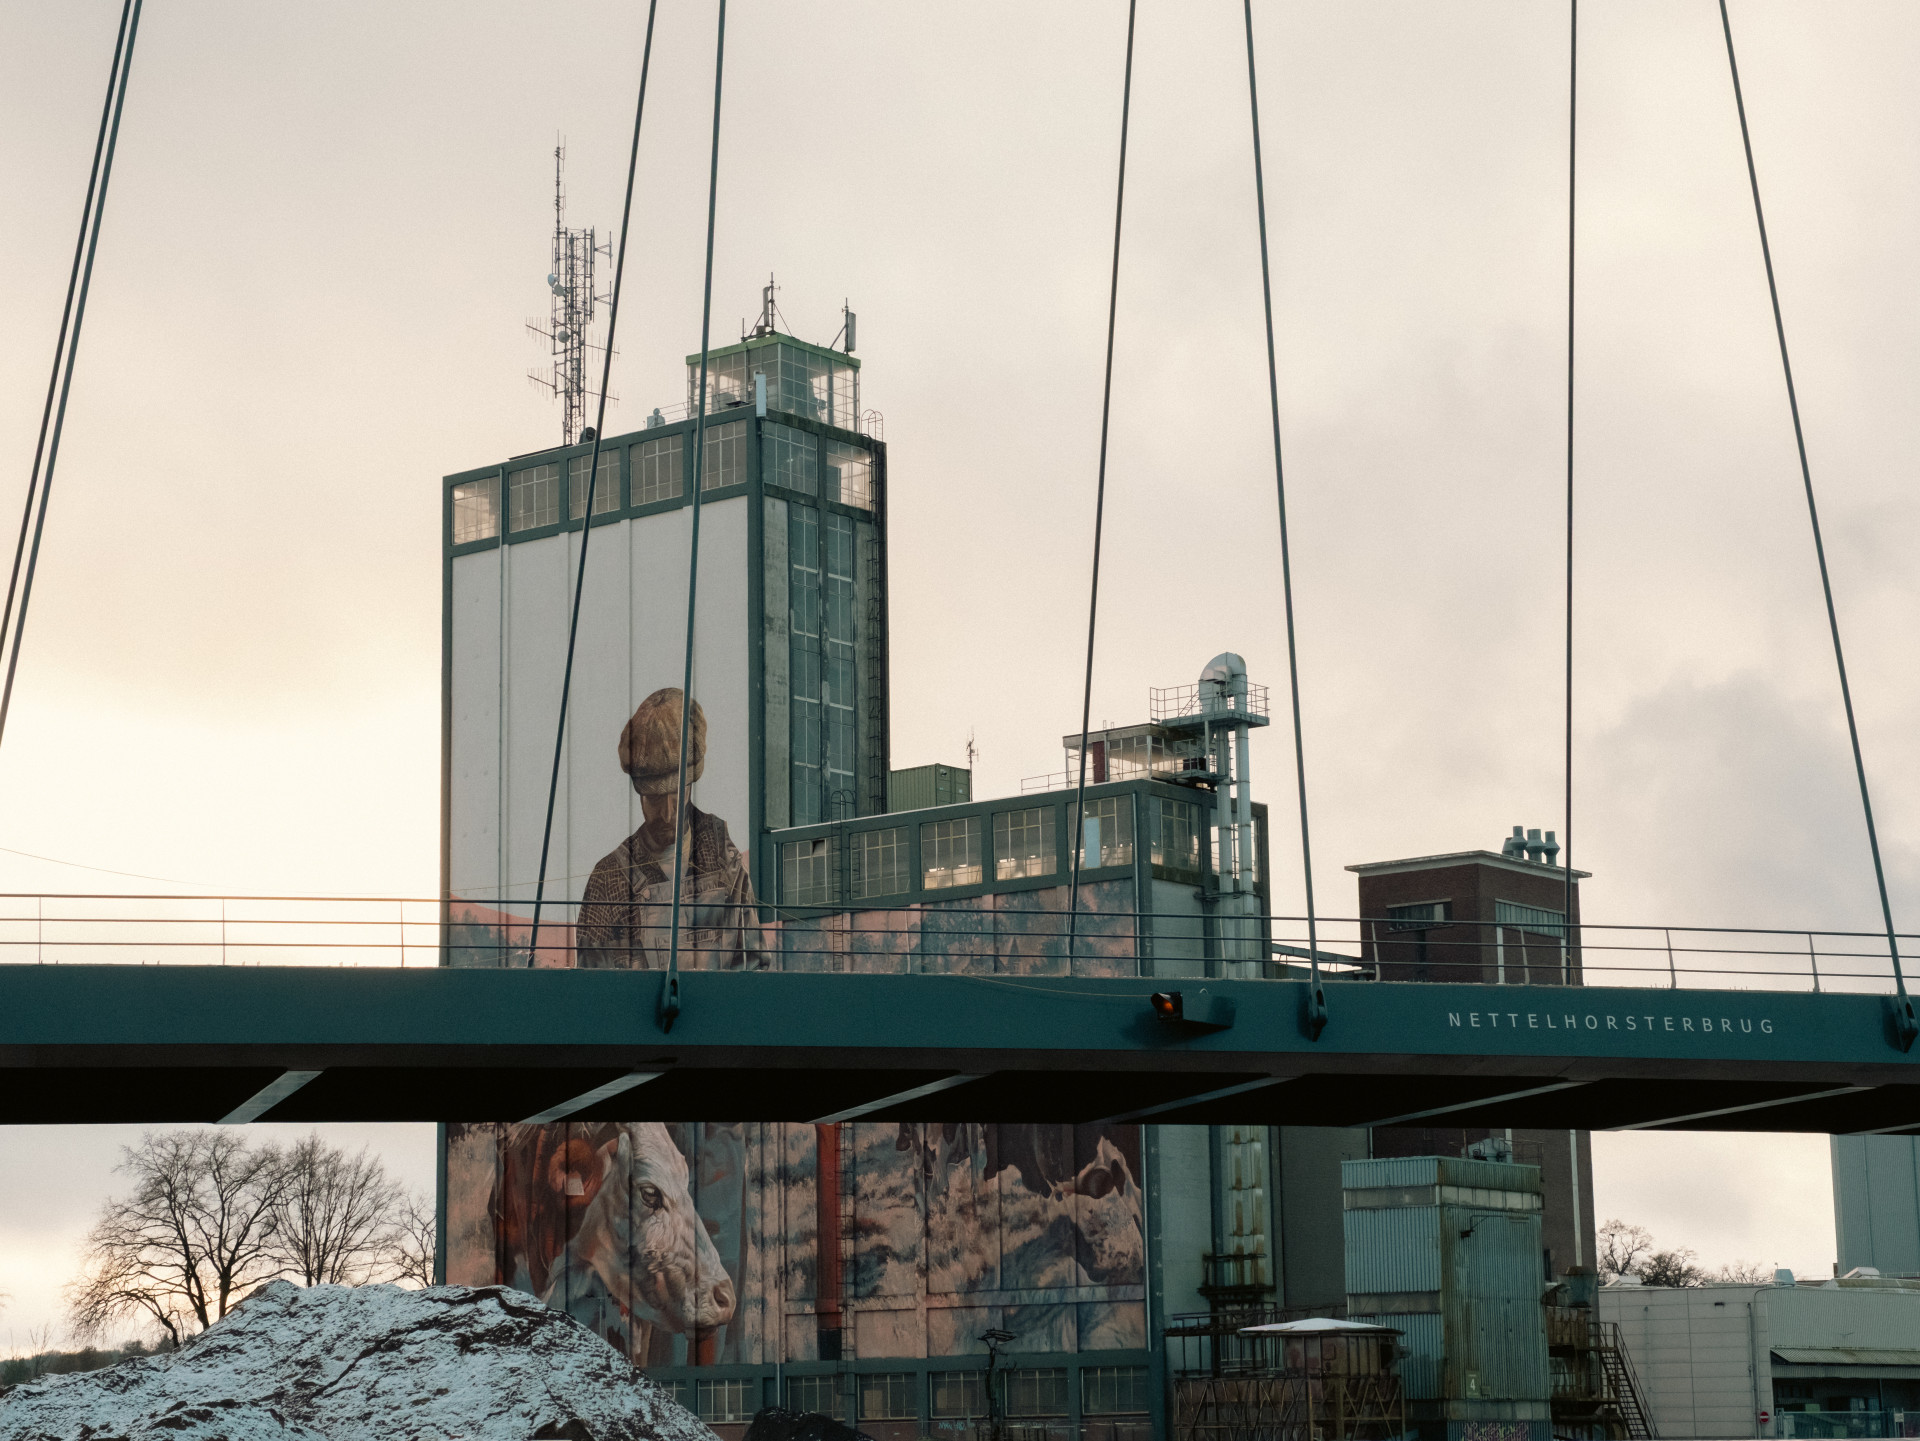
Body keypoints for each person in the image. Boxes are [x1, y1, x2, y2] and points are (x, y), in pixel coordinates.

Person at [577, 687, 764, 969]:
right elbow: (589, 992)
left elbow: (754, 968)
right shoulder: (608, 880)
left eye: (675, 796)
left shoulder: (724, 857)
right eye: (653, 798)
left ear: (690, 785)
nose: (666, 814)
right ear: (639, 794)